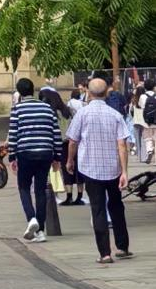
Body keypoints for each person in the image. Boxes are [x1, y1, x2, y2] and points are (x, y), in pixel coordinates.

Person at [66, 77, 132, 265]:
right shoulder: (115, 115)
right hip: (113, 168)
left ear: (89, 92)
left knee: (98, 209)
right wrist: (125, 171)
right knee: (116, 206)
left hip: (90, 168)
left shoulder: (82, 114)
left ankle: (105, 253)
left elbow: (72, 141)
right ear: (106, 93)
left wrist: (70, 161)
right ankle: (122, 246)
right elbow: (122, 144)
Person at [7, 77, 63, 243]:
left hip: (25, 152)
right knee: (40, 190)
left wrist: (12, 156)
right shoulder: (47, 108)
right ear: (33, 90)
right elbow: (56, 133)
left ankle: (31, 218)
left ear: (20, 92)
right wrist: (57, 156)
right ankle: (41, 231)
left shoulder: (17, 109)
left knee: (24, 187)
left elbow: (13, 134)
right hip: (45, 152)